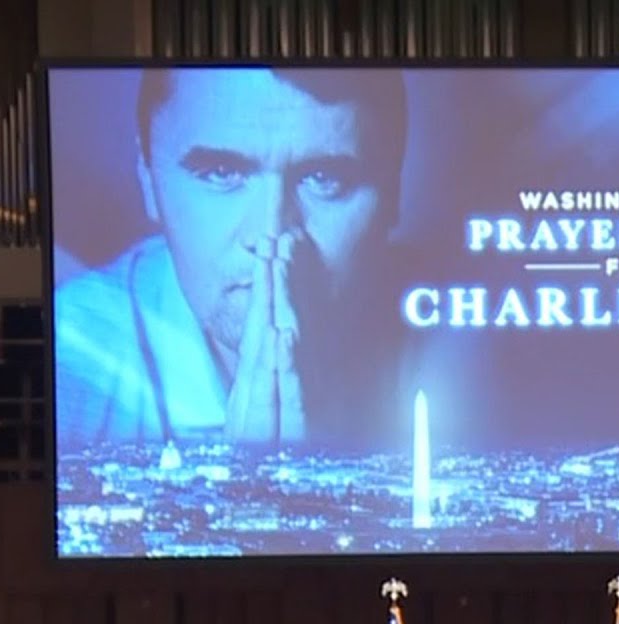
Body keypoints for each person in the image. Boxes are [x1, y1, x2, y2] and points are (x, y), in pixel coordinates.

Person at [54, 67, 410, 451]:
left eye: (324, 178)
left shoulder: (451, 352)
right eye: (220, 173)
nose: (268, 234)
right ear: (148, 177)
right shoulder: (66, 361)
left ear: (393, 192)